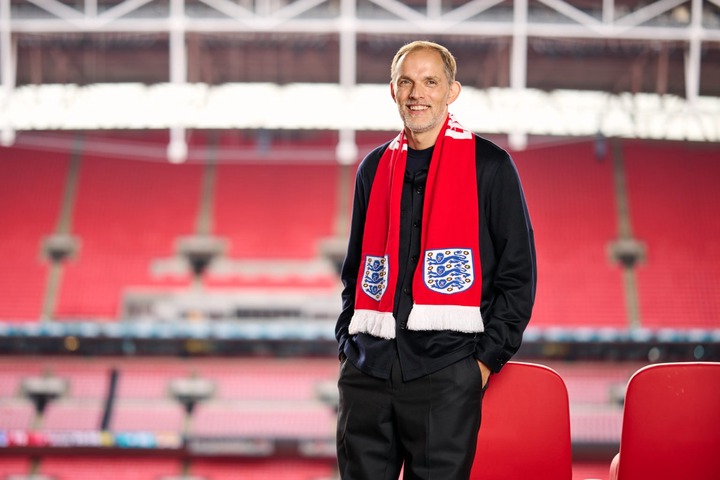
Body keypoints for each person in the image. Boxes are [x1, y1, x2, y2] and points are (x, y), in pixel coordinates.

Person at [335, 40, 536, 480]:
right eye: (406, 81)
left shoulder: (491, 166)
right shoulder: (373, 168)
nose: (416, 93)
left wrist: (480, 365)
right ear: (393, 90)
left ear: (452, 91)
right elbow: (354, 271)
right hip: (368, 373)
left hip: (446, 374)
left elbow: (518, 275)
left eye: (430, 82)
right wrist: (348, 348)